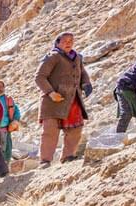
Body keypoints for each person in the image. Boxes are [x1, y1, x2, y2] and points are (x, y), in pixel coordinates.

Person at [35, 32, 92, 167]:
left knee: (76, 128)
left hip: (72, 99)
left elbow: (82, 72)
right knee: (50, 131)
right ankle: (45, 160)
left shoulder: (77, 57)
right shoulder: (52, 57)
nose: (68, 43)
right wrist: (50, 92)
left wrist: (86, 84)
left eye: (71, 40)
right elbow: (39, 77)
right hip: (53, 101)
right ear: (58, 42)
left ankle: (68, 156)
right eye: (65, 40)